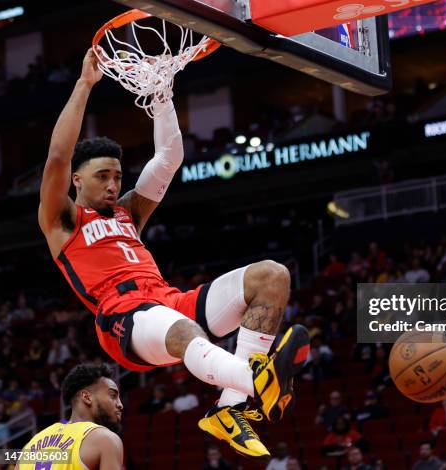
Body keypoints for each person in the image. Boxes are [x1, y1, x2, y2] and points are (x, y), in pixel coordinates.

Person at [37, 48, 310, 459]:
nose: (113, 185)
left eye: (117, 176)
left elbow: (168, 158)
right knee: (186, 333)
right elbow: (57, 156)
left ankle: (230, 407)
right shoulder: (62, 220)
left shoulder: (129, 212)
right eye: (102, 177)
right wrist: (84, 85)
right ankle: (257, 381)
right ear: (77, 179)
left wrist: (160, 92)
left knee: (272, 275)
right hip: (122, 318)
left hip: (167, 298)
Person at [16, 363, 124, 470]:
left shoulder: (31, 444)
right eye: (113, 396)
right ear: (87, 397)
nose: (120, 404)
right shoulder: (106, 439)